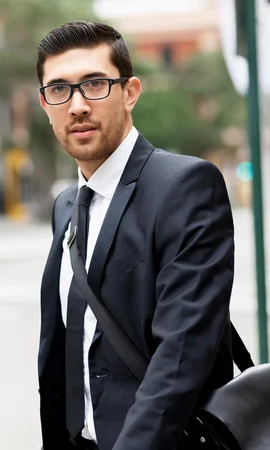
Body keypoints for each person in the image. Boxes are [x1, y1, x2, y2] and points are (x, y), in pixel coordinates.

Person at [37, 21, 235, 450]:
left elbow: (180, 356)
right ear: (44, 103)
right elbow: (61, 352)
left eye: (95, 84)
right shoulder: (66, 205)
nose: (77, 106)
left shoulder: (185, 185)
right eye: (59, 90)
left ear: (129, 93)